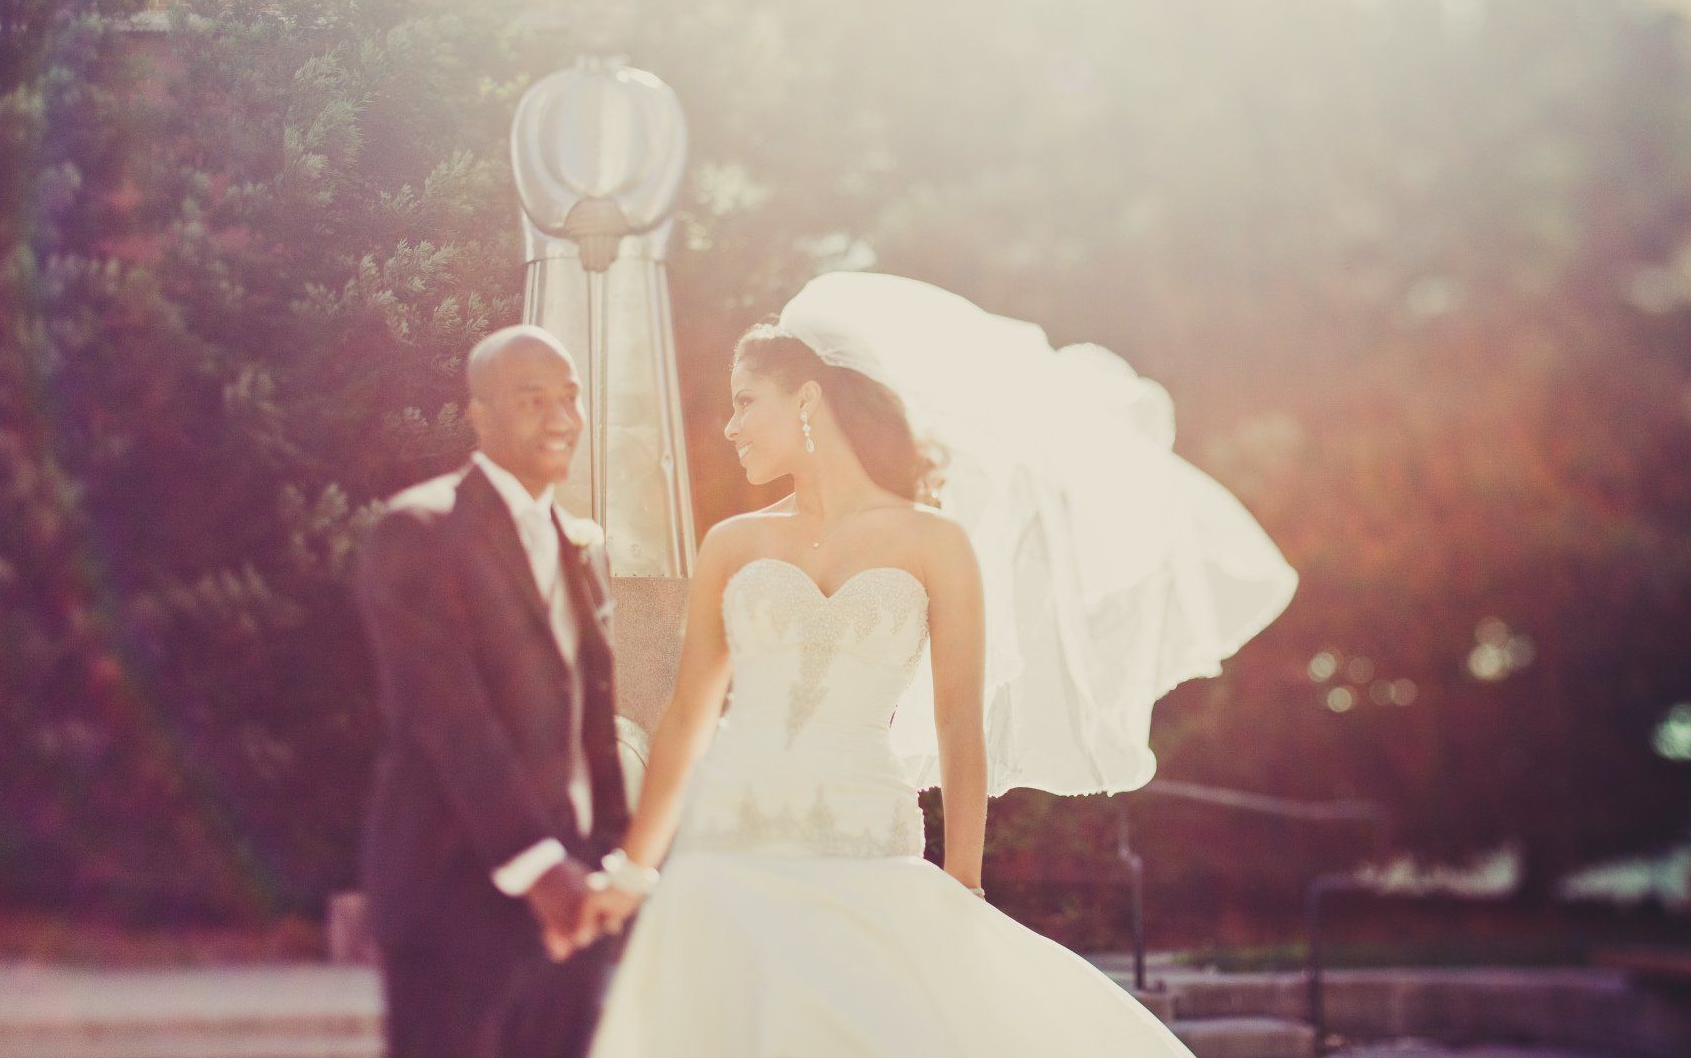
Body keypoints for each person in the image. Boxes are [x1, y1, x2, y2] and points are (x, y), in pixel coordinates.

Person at [586, 272, 1300, 1056]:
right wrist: (633, 865)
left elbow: (962, 721)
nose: (729, 427)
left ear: (809, 402)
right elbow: (688, 715)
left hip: (866, 834)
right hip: (731, 840)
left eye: (745, 400)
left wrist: (964, 882)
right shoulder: (732, 544)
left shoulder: (935, 545)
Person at [352, 324, 631, 1058]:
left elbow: (592, 724)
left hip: (577, 904)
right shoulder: (418, 531)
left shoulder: (580, 546)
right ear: (480, 414)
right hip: (454, 894)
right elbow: (451, 718)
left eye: (569, 397)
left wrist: (606, 863)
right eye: (533, 400)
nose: (562, 419)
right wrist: (544, 871)